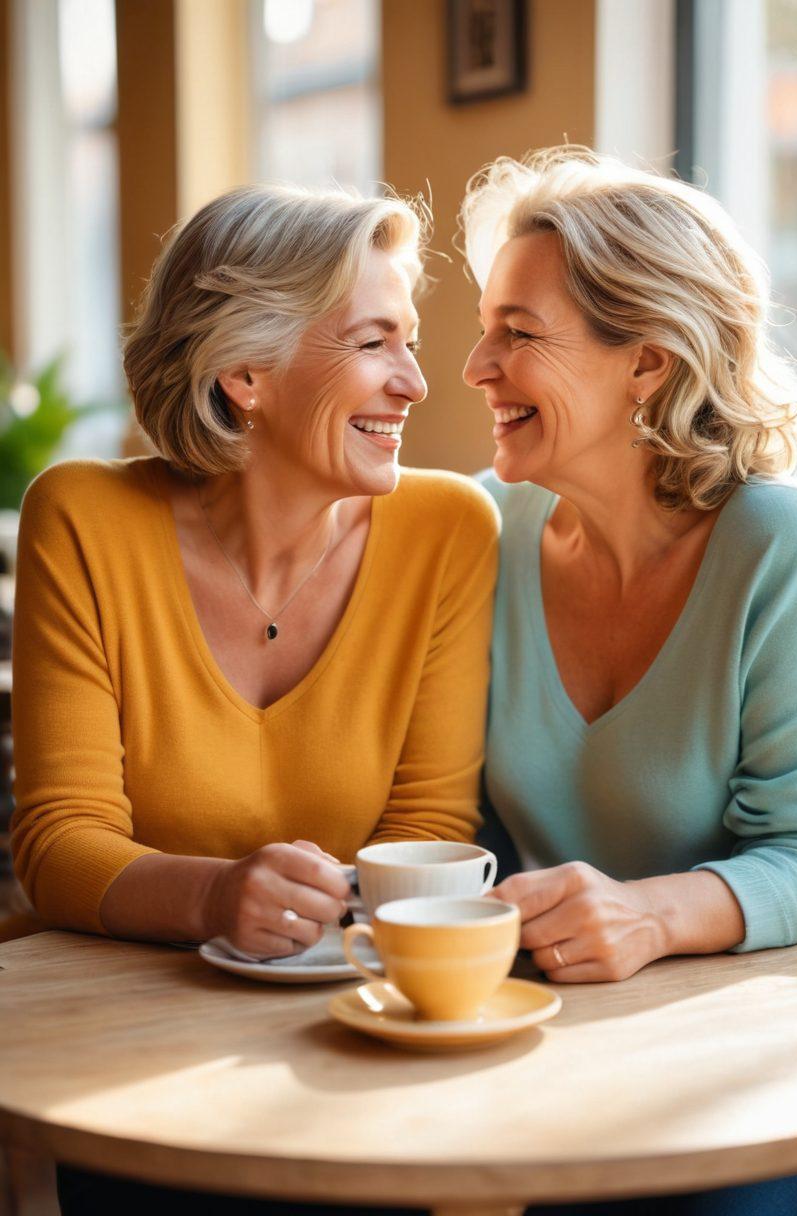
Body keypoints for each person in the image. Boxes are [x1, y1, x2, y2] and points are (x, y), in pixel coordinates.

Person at [11, 182, 497, 1215]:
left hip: (356, 1033)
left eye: (409, 342)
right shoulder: (83, 518)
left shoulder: (449, 530)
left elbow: (427, 834)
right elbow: (58, 844)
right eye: (374, 342)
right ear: (245, 374)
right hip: (129, 1049)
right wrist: (212, 898)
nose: (415, 382)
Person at [461, 146, 797, 1215]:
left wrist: (651, 916)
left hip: (751, 1090)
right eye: (485, 326)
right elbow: (460, 819)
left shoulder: (782, 547)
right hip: (556, 1063)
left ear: (649, 363)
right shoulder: (482, 528)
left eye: (519, 333)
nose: (476, 365)